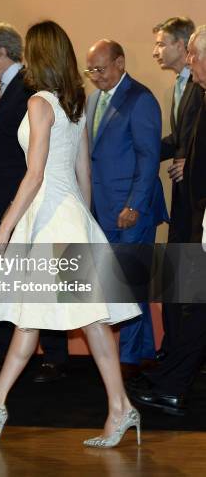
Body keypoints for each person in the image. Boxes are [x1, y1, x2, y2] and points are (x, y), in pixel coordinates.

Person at [0, 21, 141, 447]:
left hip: (50, 220)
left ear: (37, 54)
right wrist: (85, 222)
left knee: (64, 320)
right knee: (61, 321)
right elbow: (84, 171)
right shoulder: (74, 102)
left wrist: (1, 231)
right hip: (69, 215)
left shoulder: (39, 102)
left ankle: (117, 408)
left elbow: (34, 175)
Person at [0, 22, 69, 382]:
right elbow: (3, 148)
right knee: (8, 280)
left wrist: (13, 198)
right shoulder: (5, 88)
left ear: (3, 52)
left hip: (27, 199)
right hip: (7, 196)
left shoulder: (32, 88)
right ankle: (4, 352)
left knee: (37, 279)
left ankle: (55, 357)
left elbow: (33, 155)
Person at [127, 25, 206, 414]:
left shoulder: (198, 91)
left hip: (198, 214)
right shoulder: (194, 90)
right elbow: (182, 139)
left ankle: (173, 380)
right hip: (192, 213)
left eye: (194, 53)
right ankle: (172, 375)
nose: (190, 61)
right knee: (188, 300)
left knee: (193, 302)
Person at [85, 40, 168, 368]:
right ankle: (144, 351)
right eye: (90, 70)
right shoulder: (92, 100)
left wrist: (134, 205)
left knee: (129, 285)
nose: (95, 76)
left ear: (120, 62)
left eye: (100, 69)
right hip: (103, 209)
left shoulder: (140, 99)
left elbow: (149, 158)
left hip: (132, 211)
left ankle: (130, 359)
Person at [152, 17, 204, 360]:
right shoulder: (180, 86)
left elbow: (196, 140)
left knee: (190, 279)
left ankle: (183, 359)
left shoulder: (200, 85)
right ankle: (176, 355)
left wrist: (193, 160)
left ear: (184, 46)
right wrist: (137, 153)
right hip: (184, 198)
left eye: (161, 43)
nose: (156, 51)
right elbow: (178, 139)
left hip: (196, 199)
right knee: (178, 277)